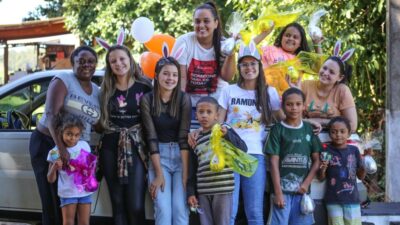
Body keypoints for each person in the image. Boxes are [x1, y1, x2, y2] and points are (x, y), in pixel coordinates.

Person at [29, 45, 100, 225]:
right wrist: (61, 150)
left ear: (96, 64)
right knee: (53, 202)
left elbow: (98, 123)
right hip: (50, 143)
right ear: (73, 63)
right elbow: (52, 115)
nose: (86, 65)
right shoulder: (64, 79)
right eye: (81, 61)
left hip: (77, 148)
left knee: (75, 204)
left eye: (91, 61)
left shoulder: (97, 91)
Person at [218, 41, 282, 225]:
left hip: (255, 156)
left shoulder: (269, 93)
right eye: (244, 64)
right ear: (239, 67)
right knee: (229, 211)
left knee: (254, 212)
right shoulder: (229, 90)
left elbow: (283, 119)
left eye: (253, 63)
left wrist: (308, 121)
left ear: (259, 66)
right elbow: (218, 122)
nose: (249, 68)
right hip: (230, 154)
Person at [98, 45, 152, 225]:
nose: (118, 63)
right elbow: (98, 122)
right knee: (118, 204)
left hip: (136, 147)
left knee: (136, 205)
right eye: (113, 61)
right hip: (109, 147)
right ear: (109, 65)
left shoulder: (144, 86)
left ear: (130, 59)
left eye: (122, 59)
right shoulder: (105, 89)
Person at [140, 57, 192, 225]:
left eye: (175, 75)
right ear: (156, 75)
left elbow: (183, 138)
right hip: (159, 157)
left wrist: (185, 174)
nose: (171, 78)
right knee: (162, 208)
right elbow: (151, 137)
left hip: (180, 155)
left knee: (180, 208)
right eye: (166, 74)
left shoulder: (184, 99)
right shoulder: (147, 99)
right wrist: (159, 174)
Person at [171, 1, 236, 129]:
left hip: (217, 105)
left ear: (216, 23)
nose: (201, 25)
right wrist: (180, 109)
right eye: (197, 21)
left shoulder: (224, 43)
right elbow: (181, 80)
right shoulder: (184, 41)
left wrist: (232, 52)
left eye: (206, 21)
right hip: (191, 105)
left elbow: (227, 77)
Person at [264, 88, 322, 225]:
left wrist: (306, 183)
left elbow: (316, 161)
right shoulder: (277, 130)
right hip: (281, 191)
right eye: (289, 104)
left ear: (303, 106)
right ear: (283, 106)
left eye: (298, 104)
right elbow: (273, 163)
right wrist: (278, 192)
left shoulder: (309, 130)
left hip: (302, 192)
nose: (294, 108)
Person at [187, 96, 247, 225]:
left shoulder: (224, 131)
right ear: (195, 114)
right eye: (201, 112)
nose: (204, 115)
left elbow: (243, 149)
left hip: (223, 190)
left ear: (217, 115)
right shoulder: (195, 138)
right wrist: (191, 193)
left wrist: (227, 135)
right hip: (203, 192)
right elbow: (192, 168)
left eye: (209, 112)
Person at [287, 49, 357, 132]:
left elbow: (352, 126)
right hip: (305, 134)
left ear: (340, 78)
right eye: (324, 68)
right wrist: (295, 95)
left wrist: (320, 122)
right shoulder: (304, 85)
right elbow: (290, 118)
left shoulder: (342, 90)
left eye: (331, 72)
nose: (325, 73)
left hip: (334, 138)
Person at [47, 114, 97, 225]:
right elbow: (50, 179)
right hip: (68, 193)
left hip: (84, 192)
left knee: (84, 223)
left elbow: (90, 168)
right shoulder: (55, 152)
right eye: (69, 134)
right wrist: (55, 167)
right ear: (61, 131)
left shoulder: (84, 145)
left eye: (76, 135)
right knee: (68, 222)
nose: (73, 138)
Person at [318, 116, 366, 225]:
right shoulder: (326, 150)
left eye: (342, 131)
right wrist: (323, 167)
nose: (338, 135)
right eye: (334, 132)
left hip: (352, 198)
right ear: (329, 133)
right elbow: (320, 177)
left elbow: (360, 176)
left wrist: (364, 168)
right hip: (333, 199)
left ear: (349, 133)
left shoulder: (354, 150)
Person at [253, 22, 323, 68]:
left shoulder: (301, 60)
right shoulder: (269, 50)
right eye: (287, 35)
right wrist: (265, 33)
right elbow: (248, 50)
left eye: (295, 37)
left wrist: (317, 44)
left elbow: (319, 68)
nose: (290, 39)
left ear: (300, 44)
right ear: (281, 37)